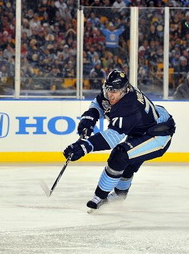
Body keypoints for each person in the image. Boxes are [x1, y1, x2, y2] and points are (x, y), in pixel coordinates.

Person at [63, 70, 176, 211]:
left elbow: (113, 137)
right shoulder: (114, 93)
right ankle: (119, 195)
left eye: (115, 91)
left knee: (121, 155)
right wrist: (90, 117)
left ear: (125, 90)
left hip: (158, 134)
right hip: (143, 127)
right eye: (108, 89)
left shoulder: (129, 106)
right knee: (128, 160)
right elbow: (99, 103)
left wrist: (85, 146)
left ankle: (99, 197)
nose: (110, 94)